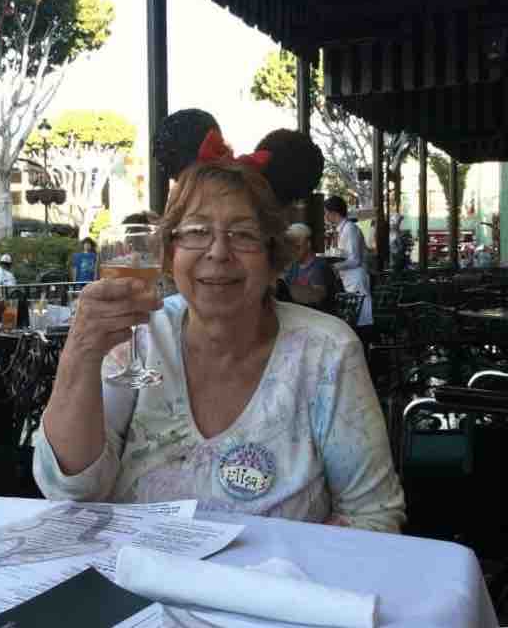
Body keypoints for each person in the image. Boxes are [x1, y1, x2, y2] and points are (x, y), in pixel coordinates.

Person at [34, 158, 405, 533]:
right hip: (134, 565)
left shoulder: (327, 350)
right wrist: (79, 353)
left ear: (272, 257)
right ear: (170, 253)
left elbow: (372, 514)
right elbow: (70, 490)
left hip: (277, 571)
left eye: (243, 234)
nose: (218, 252)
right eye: (196, 231)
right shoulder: (139, 336)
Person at [324, 196, 373, 349]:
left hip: (356, 278)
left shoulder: (350, 229)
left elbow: (355, 260)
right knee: (355, 318)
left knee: (360, 320)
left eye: (326, 212)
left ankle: (365, 352)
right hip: (349, 279)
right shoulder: (342, 229)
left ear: (333, 213)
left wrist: (334, 267)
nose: (325, 216)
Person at [283, 223, 334, 312]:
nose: (293, 251)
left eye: (297, 247)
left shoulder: (320, 266)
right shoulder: (293, 266)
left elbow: (317, 297)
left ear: (308, 244)